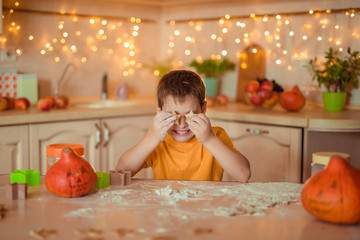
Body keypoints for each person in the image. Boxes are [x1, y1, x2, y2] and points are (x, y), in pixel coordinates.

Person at [116, 70, 251, 182]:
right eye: (172, 116)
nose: (181, 124)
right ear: (159, 111)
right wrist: (153, 138)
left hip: (206, 208)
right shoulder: (158, 139)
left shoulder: (214, 135)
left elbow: (244, 175)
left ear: (203, 109)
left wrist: (209, 139)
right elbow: (121, 170)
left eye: (189, 115)